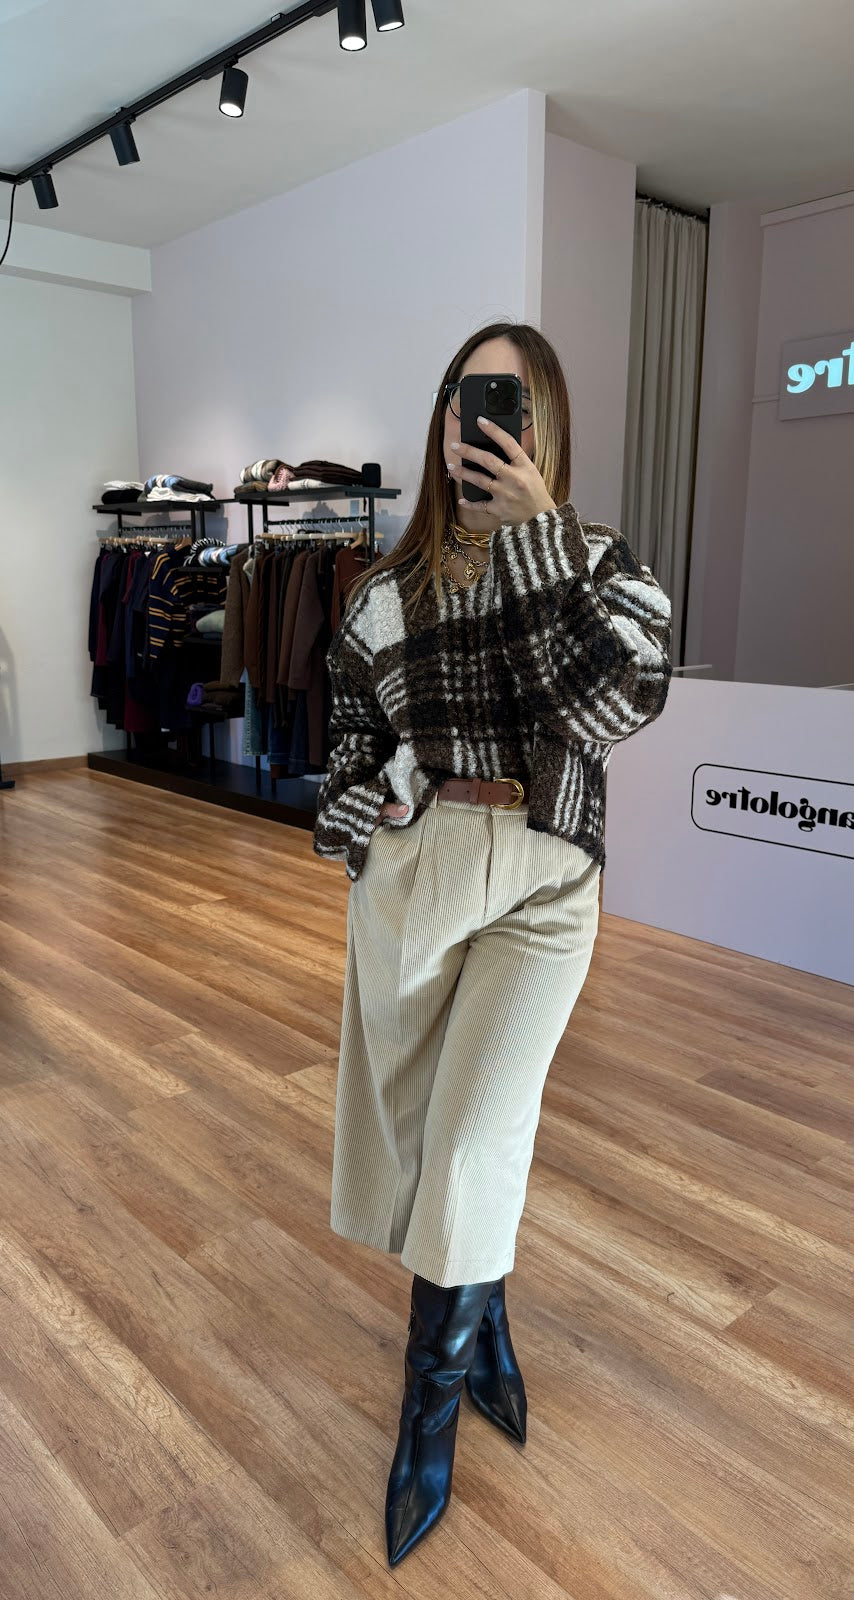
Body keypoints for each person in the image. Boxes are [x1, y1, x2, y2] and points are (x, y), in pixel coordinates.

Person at [312, 321, 673, 1567]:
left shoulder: (598, 564)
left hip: (541, 877)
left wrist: (533, 544)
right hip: (415, 874)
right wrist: (366, 805)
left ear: (542, 423)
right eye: (464, 399)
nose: (480, 420)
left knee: (472, 1134)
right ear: (441, 421)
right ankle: (489, 1313)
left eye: (506, 401)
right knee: (431, 1133)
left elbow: (605, 707)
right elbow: (346, 739)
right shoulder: (380, 592)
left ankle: (426, 1414)